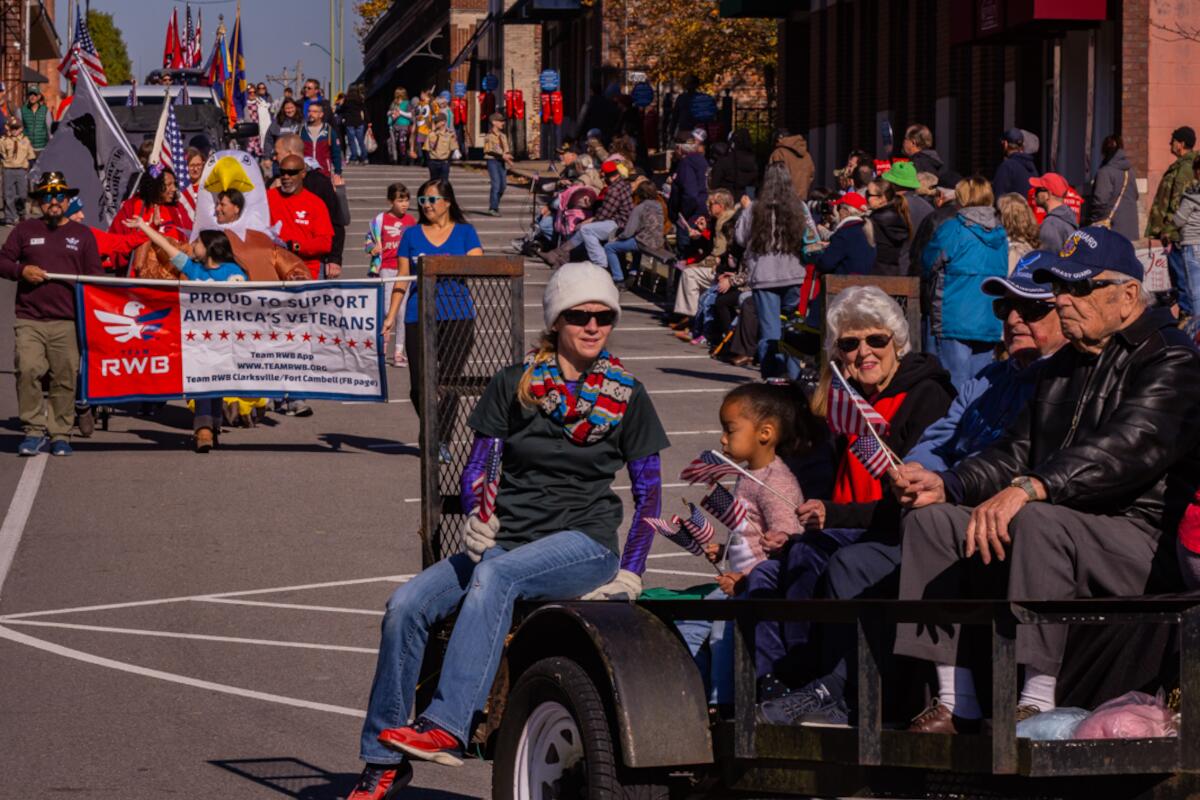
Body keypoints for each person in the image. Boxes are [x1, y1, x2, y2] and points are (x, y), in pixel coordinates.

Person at [348, 262, 667, 799]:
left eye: (604, 316)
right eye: (579, 315)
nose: (593, 326)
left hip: (584, 543)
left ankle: (447, 725)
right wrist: (479, 514)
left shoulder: (628, 396)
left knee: (496, 578)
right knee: (405, 605)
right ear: (556, 321)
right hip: (507, 540)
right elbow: (480, 467)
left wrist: (632, 571)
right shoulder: (515, 385)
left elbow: (650, 494)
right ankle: (383, 761)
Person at [890, 226, 1200, 734]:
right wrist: (948, 485)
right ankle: (954, 700)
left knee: (1038, 520)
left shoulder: (1171, 357)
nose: (1062, 299)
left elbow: (1128, 448)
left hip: (1143, 537)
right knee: (932, 522)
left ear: (1127, 296)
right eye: (1060, 287)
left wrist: (1032, 488)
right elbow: (1014, 449)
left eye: (1079, 287)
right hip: (1067, 527)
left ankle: (1036, 700)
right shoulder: (1062, 366)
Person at [758, 252, 1067, 726]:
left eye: (876, 339)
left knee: (845, 560)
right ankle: (792, 684)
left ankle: (850, 694)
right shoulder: (988, 378)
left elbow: (1016, 459)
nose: (1013, 319)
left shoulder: (939, 389)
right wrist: (917, 473)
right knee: (773, 568)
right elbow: (936, 443)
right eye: (1006, 308)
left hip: (978, 520)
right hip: (929, 514)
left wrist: (930, 485)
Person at [747, 285, 954, 700]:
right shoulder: (850, 400)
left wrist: (833, 516)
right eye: (850, 343)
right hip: (854, 527)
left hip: (898, 531)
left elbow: (908, 502)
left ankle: (810, 683)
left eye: (876, 339)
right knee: (765, 574)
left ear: (897, 342)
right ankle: (770, 685)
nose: (864, 352)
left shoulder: (926, 395)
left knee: (811, 556)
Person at [676, 383, 808, 707]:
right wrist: (724, 550)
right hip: (736, 582)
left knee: (723, 633)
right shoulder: (747, 474)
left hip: (756, 587)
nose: (723, 439)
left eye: (730, 429)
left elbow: (788, 548)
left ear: (765, 433)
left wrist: (745, 579)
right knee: (688, 625)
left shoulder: (776, 483)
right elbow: (752, 533)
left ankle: (724, 707)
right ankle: (693, 699)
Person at [0, 173, 104, 456]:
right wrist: (21, 270)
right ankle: (33, 430)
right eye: (47, 196)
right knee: (28, 369)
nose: (54, 201)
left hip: (68, 320)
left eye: (59, 196)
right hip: (30, 318)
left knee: (64, 378)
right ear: (39, 202)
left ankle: (60, 433)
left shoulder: (83, 235)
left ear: (68, 200)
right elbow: (3, 261)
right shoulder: (24, 230)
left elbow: (95, 277)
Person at [126, 220, 246, 451]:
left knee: (217, 383)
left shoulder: (234, 273)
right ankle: (203, 428)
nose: (192, 246)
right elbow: (167, 248)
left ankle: (214, 424)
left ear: (209, 247)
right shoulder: (193, 269)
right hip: (198, 338)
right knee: (202, 380)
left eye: (197, 242)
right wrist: (143, 226)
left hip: (223, 339)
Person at [381, 179, 482, 421]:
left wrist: (445, 263)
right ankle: (430, 428)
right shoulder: (411, 235)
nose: (426, 205)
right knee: (419, 385)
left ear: (447, 202)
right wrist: (390, 317)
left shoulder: (466, 232)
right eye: (422, 200)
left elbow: (478, 264)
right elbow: (402, 278)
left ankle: (441, 436)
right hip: (418, 314)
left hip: (457, 314)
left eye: (432, 199)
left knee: (449, 382)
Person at [921, 175, 1008, 390]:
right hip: (988, 316)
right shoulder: (1000, 234)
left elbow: (928, 262)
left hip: (954, 315)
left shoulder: (953, 228)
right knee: (980, 387)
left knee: (951, 387)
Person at [736, 163, 813, 379]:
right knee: (793, 327)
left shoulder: (754, 209)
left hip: (765, 276)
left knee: (770, 331)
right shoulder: (800, 207)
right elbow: (811, 236)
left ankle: (774, 377)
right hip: (794, 275)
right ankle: (794, 375)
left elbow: (740, 238)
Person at [273, 133, 346, 279]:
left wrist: (334, 258)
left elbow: (336, 222)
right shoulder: (273, 186)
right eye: (283, 173)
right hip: (278, 264)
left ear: (290, 154)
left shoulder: (319, 184)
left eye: (277, 153)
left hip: (311, 265)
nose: (274, 157)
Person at [540, 161, 633, 269]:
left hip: (618, 224)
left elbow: (603, 216)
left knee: (584, 229)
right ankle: (558, 257)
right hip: (620, 222)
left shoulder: (614, 190)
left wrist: (585, 222)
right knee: (584, 231)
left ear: (605, 175)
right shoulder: (624, 184)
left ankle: (598, 263)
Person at [1147, 126, 1198, 316]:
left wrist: (1168, 230)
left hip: (1178, 235)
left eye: (1173, 140)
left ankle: (1189, 319)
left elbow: (1179, 204)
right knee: (1181, 281)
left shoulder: (1185, 169)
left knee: (1184, 281)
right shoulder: (1182, 166)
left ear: (1181, 144)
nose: (1170, 144)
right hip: (1176, 234)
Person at [365, 182, 416, 366]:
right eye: (400, 201)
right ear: (390, 201)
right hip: (386, 268)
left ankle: (398, 352)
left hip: (405, 270)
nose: (404, 204)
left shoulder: (411, 221)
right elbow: (368, 240)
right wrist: (372, 248)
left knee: (402, 311)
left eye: (407, 200)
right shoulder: (380, 220)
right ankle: (382, 348)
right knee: (387, 310)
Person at [267, 154, 333, 280]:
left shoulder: (316, 204)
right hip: (275, 271)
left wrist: (295, 246)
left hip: (306, 272)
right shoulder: (268, 197)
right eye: (282, 172)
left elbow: (325, 243)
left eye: (291, 173)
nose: (286, 177)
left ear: (303, 174)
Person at [603, 179, 673, 286]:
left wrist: (617, 238)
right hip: (658, 241)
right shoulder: (658, 205)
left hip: (645, 242)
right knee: (635, 243)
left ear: (640, 193)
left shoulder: (639, 208)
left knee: (609, 247)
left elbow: (628, 233)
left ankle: (618, 278)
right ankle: (633, 273)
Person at [1083, 134, 1139, 242]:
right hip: (1129, 230)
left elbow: (1100, 202)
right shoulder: (1129, 172)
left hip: (1110, 230)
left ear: (1104, 151)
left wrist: (1091, 220)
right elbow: (1135, 195)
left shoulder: (1105, 172)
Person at [881, 160, 933, 272]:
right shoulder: (928, 207)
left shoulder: (893, 208)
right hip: (921, 267)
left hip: (896, 268)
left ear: (893, 184)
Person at [811, 192, 875, 275]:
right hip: (863, 280)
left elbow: (824, 264)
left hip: (844, 281)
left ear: (844, 212)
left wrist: (815, 253)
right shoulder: (866, 229)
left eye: (838, 208)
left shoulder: (846, 232)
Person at [670, 136, 709, 255]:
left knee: (685, 253)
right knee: (698, 251)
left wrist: (684, 214)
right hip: (702, 210)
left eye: (675, 148)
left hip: (690, 217)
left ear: (680, 148)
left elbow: (690, 194)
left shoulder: (686, 163)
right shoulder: (701, 160)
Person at [865, 179, 912, 275]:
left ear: (882, 198)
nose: (866, 197)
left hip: (876, 273)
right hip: (895, 272)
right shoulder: (899, 216)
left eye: (868, 194)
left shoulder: (874, 221)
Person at [1030, 172, 1078, 254]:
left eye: (1037, 190)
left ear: (1048, 194)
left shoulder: (1050, 225)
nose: (1034, 195)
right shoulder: (1068, 217)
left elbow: (1047, 259)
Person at [0, 118, 35, 225]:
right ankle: (10, 217)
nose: (14, 130)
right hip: (8, 170)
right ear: (8, 128)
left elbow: (31, 156)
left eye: (17, 128)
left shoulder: (26, 140)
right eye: (12, 128)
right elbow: (1, 154)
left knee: (22, 194)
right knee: (8, 194)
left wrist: (32, 168)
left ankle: (21, 213)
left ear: (21, 128)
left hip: (21, 170)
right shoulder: (3, 140)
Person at [711, 128, 760, 201]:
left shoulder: (725, 160)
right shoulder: (753, 161)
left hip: (727, 200)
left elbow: (715, 183)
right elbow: (754, 185)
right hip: (747, 199)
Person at [997, 192, 1040, 274]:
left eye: (999, 212)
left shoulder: (1013, 250)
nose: (996, 216)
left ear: (1007, 217)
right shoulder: (1029, 243)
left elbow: (1010, 280)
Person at [768, 128, 814, 200]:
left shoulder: (779, 153)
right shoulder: (807, 155)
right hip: (802, 198)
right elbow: (811, 175)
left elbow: (774, 177)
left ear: (779, 139)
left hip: (784, 199)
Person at [301, 100, 343, 179]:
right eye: (309, 111)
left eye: (314, 111)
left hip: (324, 173)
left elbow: (336, 153)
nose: (311, 114)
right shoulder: (301, 131)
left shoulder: (329, 131)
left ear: (321, 114)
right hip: (305, 174)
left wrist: (338, 172)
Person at [992, 128, 1038, 198]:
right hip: (1028, 205)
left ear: (1006, 144)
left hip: (1013, 205)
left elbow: (999, 196)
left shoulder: (1007, 167)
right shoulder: (1032, 166)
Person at [483, 113, 513, 216]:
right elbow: (488, 150)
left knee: (503, 186)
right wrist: (502, 155)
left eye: (503, 121)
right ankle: (493, 208)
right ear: (494, 122)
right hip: (492, 161)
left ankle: (495, 203)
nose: (503, 123)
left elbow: (506, 150)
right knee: (496, 184)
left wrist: (508, 158)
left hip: (501, 162)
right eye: (500, 121)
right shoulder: (489, 136)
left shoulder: (503, 136)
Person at [264, 97, 304, 167]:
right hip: (279, 161)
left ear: (295, 108)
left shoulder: (302, 122)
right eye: (287, 108)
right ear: (283, 109)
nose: (290, 110)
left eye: (292, 107)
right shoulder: (277, 123)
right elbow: (268, 140)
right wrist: (267, 157)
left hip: (297, 160)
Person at [425, 113, 458, 183]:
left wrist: (448, 161)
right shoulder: (431, 134)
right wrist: (429, 161)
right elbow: (427, 148)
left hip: (444, 162)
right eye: (435, 122)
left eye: (437, 122)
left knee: (444, 183)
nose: (435, 123)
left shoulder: (450, 134)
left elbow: (453, 148)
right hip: (433, 161)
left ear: (444, 122)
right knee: (433, 182)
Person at [341, 87, 368, 166]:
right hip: (359, 122)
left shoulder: (347, 100)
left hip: (349, 122)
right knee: (361, 141)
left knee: (351, 141)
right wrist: (368, 121)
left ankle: (354, 158)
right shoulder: (360, 100)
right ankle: (364, 158)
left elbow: (342, 109)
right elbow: (364, 110)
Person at [387, 88, 412, 166]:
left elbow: (410, 115)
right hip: (395, 125)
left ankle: (404, 158)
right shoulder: (394, 103)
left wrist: (400, 112)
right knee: (393, 142)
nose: (398, 95)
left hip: (404, 125)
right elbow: (388, 113)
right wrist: (392, 112)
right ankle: (394, 158)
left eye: (400, 94)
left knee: (402, 142)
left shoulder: (407, 103)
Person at [19, 89, 49, 153]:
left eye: (35, 95)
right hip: (27, 148)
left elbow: (49, 129)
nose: (32, 97)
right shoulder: (22, 110)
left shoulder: (45, 110)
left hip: (42, 148)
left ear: (39, 97)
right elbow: (19, 130)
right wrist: (21, 145)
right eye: (30, 94)